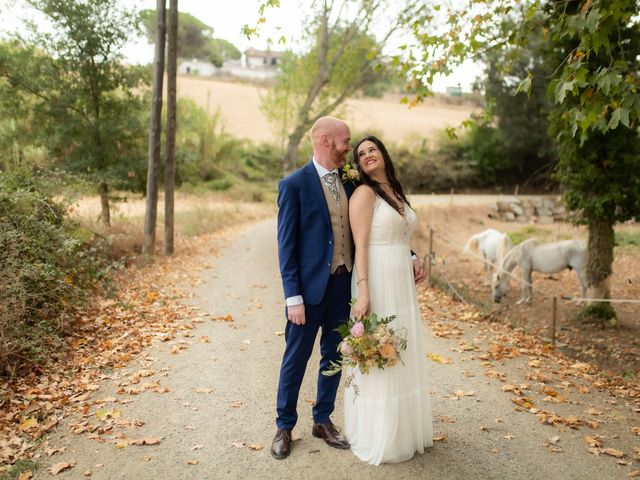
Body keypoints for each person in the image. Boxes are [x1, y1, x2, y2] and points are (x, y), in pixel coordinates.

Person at [344, 135, 433, 465]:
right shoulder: (364, 194)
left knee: (402, 348)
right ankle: (380, 433)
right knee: (382, 348)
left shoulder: (395, 189)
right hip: (377, 279)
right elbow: (362, 245)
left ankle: (405, 430)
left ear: (383, 153)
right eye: (361, 153)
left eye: (372, 149)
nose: (367, 155)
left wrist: (413, 258)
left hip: (400, 281)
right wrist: (364, 291)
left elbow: (398, 234)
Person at [271, 116, 355, 459]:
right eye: (345, 141)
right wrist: (293, 297)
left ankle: (322, 419)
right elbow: (286, 247)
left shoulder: (350, 183)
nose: (349, 146)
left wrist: (406, 254)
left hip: (342, 286)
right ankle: (284, 426)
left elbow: (373, 228)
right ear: (325, 139)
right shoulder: (294, 185)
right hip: (306, 293)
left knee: (334, 355)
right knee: (296, 358)